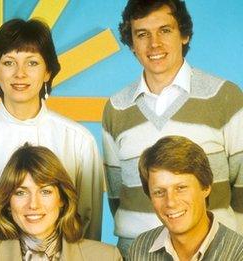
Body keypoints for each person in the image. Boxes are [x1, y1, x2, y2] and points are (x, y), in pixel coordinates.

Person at [102, 0, 243, 255]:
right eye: (142, 34)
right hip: (135, 254)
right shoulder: (116, 108)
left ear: (185, 34)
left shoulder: (225, 97)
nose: (154, 43)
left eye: (165, 30)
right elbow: (117, 196)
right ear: (132, 44)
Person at [0, 18, 104, 245]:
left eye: (32, 63)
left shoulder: (79, 140)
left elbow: (90, 229)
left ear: (48, 71)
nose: (20, 74)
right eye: (9, 63)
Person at [0, 144, 121, 260]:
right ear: (7, 203)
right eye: (21, 192)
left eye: (45, 191)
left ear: (62, 199)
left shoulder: (106, 257)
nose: (33, 204)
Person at [129, 136, 243, 260]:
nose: (171, 202)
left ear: (205, 187)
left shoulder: (238, 253)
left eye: (181, 188)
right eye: (159, 192)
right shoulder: (139, 249)